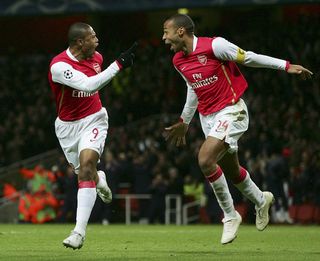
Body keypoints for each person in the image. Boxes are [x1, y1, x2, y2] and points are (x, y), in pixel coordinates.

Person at [162, 14, 313, 244]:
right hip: (207, 118)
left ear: (181, 31)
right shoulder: (178, 61)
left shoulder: (215, 45)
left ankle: (230, 216)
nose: (164, 38)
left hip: (232, 110)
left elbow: (249, 58)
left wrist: (286, 66)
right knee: (232, 172)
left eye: (166, 32)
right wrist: (184, 121)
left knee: (204, 159)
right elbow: (193, 89)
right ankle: (261, 200)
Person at [48, 22, 137, 249]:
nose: (97, 41)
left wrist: (113, 66)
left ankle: (79, 232)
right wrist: (119, 65)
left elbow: (95, 88)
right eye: (92, 37)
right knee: (86, 173)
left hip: (94, 119)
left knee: (86, 165)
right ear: (80, 42)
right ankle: (100, 180)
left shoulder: (97, 57)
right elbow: (88, 85)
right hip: (68, 128)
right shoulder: (59, 66)